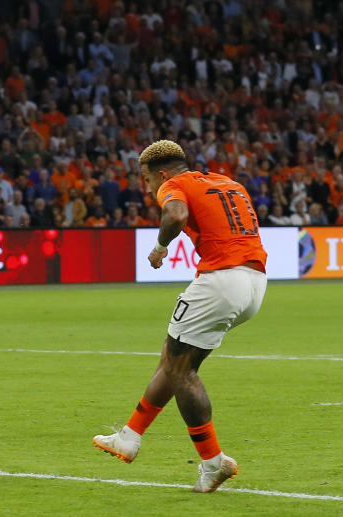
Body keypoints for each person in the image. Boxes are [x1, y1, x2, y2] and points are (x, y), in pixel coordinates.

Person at [92, 140, 267, 493]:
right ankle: (129, 437)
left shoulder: (175, 185)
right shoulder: (229, 183)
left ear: (161, 173)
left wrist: (159, 248)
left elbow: (175, 215)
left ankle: (213, 462)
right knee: (173, 360)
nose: (148, 187)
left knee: (182, 371)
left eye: (147, 180)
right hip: (255, 282)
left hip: (220, 279)